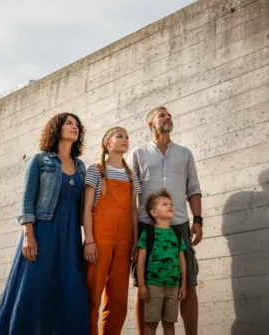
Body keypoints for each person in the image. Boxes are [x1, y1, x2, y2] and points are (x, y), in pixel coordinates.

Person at [0, 113, 91, 334]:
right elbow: (27, 199)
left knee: (69, 290)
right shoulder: (39, 160)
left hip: (70, 236)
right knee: (32, 288)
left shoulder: (81, 166)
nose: (75, 127)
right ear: (57, 129)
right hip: (43, 232)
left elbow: (86, 206)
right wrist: (28, 235)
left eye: (77, 125)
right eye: (69, 123)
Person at [130, 106, 202, 335]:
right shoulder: (138, 154)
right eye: (162, 115)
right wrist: (133, 235)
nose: (168, 117)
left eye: (170, 114)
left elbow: (193, 189)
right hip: (147, 228)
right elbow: (131, 196)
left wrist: (197, 220)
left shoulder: (185, 154)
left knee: (188, 283)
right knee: (143, 288)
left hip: (179, 226)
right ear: (150, 123)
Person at [83, 126, 141, 335]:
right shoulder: (95, 170)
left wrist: (135, 241)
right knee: (92, 296)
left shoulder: (132, 175)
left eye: (127, 136)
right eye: (119, 136)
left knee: (118, 300)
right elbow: (88, 207)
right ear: (108, 144)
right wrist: (89, 241)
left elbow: (134, 210)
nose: (125, 139)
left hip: (124, 241)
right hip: (99, 238)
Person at [136, 189, 187, 335]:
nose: (170, 206)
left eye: (171, 204)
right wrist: (141, 285)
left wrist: (183, 285)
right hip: (153, 286)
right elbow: (141, 260)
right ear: (154, 212)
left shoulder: (177, 234)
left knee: (169, 325)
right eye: (164, 204)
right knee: (151, 325)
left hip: (173, 287)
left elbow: (181, 260)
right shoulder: (148, 234)